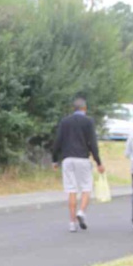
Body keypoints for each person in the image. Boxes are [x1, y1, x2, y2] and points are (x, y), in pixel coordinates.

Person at [52, 95, 105, 232]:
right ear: (84, 108)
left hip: (68, 159)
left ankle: (72, 223)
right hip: (82, 158)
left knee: (71, 190)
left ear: (73, 108)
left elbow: (57, 141)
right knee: (86, 188)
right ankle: (81, 212)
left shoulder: (65, 122)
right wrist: (98, 161)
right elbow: (92, 143)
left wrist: (54, 159)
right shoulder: (88, 122)